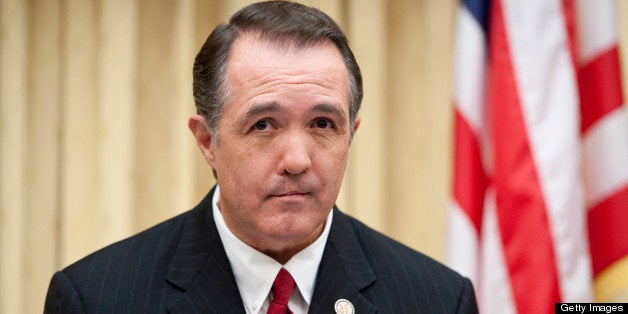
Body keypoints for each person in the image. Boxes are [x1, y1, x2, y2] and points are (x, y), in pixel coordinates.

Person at [44, 1, 478, 313]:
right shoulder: (96, 298)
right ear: (207, 141)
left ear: (352, 135)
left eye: (323, 124)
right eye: (264, 124)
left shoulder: (438, 299)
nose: (296, 160)